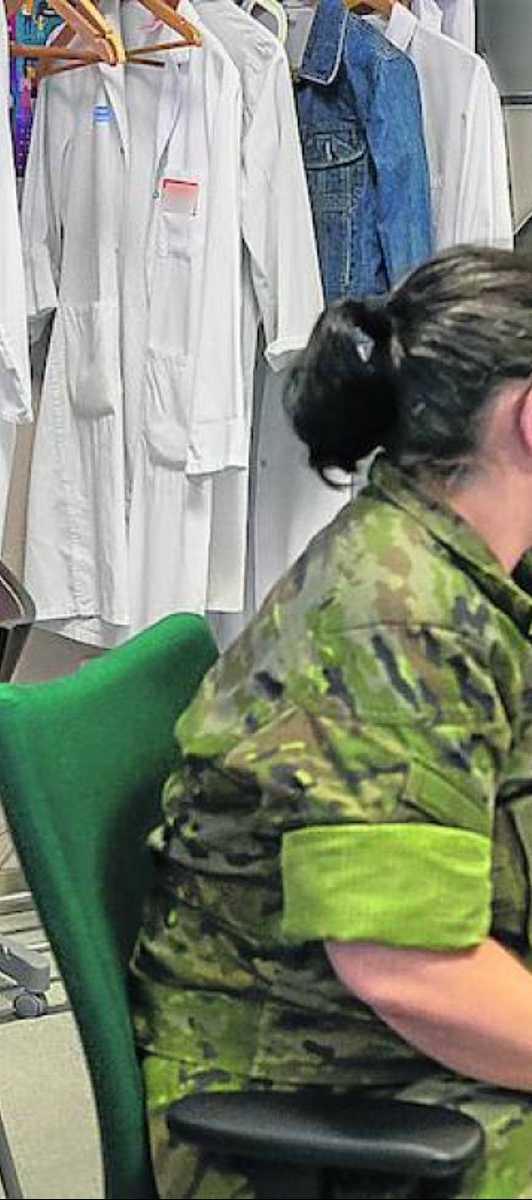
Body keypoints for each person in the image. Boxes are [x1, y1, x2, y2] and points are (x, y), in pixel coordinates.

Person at [133, 247, 532, 1199]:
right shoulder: (401, 618)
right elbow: (411, 973)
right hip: (334, 1106)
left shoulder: (449, 562)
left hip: (399, 1056)